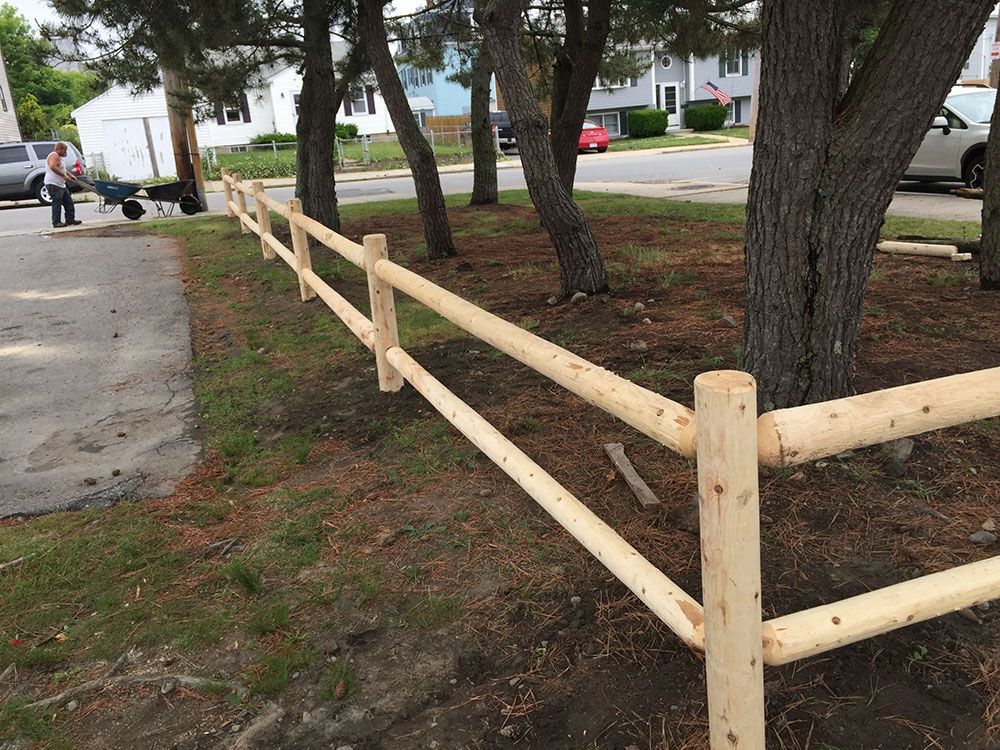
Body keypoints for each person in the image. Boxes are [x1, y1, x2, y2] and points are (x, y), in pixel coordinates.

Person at [45, 142, 82, 229]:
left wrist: (70, 175)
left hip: (61, 184)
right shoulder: (54, 156)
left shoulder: (60, 158)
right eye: (65, 150)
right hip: (53, 184)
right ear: (59, 149)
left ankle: (70, 219)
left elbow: (62, 168)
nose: (65, 152)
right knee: (57, 202)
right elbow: (53, 167)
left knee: (68, 202)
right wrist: (63, 176)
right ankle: (56, 222)